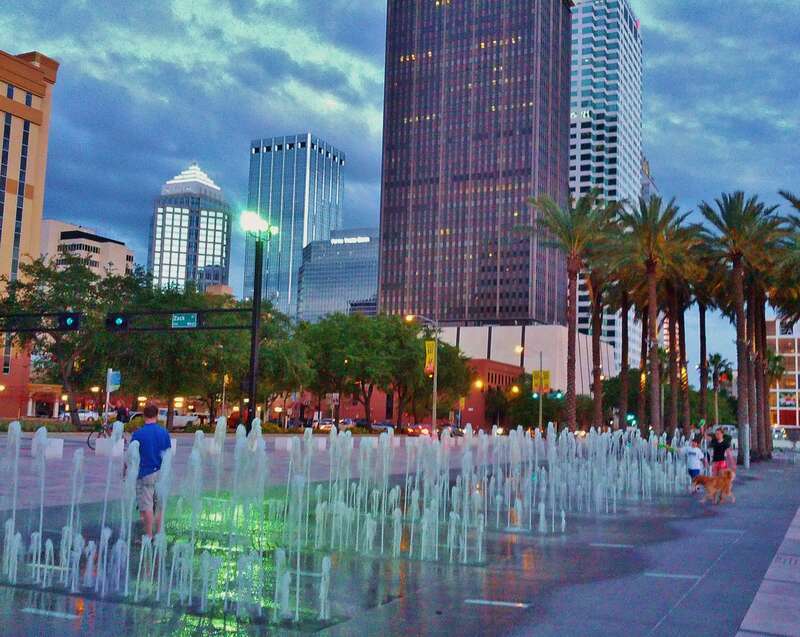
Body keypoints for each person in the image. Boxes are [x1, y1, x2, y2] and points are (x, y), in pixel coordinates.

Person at [130, 404, 171, 537]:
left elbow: (131, 454)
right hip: (161, 472)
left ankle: (149, 535)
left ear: (143, 415)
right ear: (157, 415)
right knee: (159, 505)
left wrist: (126, 470)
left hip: (145, 473)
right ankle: (159, 532)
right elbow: (167, 454)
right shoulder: (164, 432)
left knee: (147, 505)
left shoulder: (138, 433)